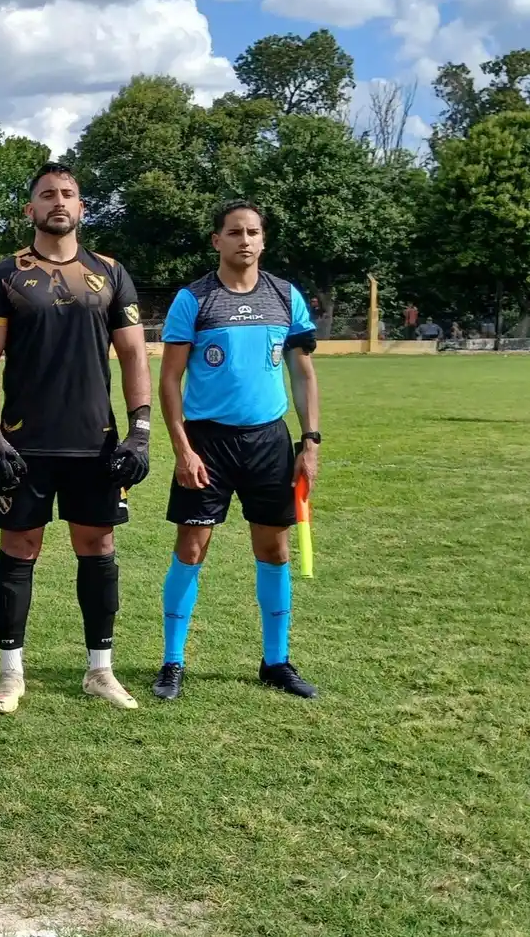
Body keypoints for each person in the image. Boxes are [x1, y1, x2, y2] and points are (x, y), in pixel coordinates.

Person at [0, 161, 152, 713]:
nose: (58, 201)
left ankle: (100, 670)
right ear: (30, 209)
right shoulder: (4, 278)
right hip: (25, 445)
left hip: (95, 444)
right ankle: (10, 674)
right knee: (19, 548)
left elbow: (133, 354)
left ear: (81, 207)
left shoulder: (111, 273)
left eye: (68, 193)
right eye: (47, 194)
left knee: (98, 547)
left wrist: (141, 429)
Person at [153, 199, 321, 701]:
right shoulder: (194, 299)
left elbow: (303, 374)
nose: (244, 240)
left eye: (252, 232)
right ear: (217, 240)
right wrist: (183, 449)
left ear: (263, 240)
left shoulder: (286, 296)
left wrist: (309, 440)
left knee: (273, 548)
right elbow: (169, 379)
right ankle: (172, 662)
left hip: (269, 440)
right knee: (192, 547)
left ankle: (276, 661)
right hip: (208, 442)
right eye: (234, 232)